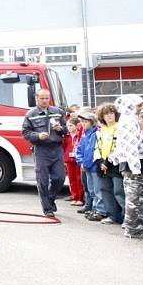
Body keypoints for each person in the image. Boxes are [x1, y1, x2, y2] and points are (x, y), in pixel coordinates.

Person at [110, 95, 143, 238]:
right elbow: (130, 147)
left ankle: (136, 226)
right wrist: (136, 168)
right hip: (132, 164)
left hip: (133, 163)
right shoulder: (128, 121)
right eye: (138, 105)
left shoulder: (129, 120)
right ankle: (133, 228)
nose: (140, 108)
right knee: (134, 198)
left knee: (138, 197)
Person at [21, 89, 67, 217]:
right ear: (37, 99)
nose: (45, 100)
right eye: (42, 98)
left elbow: (66, 129)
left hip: (56, 148)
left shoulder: (58, 112)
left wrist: (60, 129)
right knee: (43, 181)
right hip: (41, 149)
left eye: (47, 98)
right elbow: (25, 132)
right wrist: (37, 135)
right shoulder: (31, 114)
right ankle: (47, 209)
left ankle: (50, 199)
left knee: (60, 178)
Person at [94, 103, 124, 225]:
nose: (109, 116)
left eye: (112, 113)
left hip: (115, 165)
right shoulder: (102, 130)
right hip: (103, 166)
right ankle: (112, 216)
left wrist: (108, 161)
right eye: (106, 114)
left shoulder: (119, 127)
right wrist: (100, 161)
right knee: (106, 191)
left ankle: (125, 217)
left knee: (119, 191)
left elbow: (119, 147)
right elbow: (98, 147)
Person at [76, 112, 106, 220]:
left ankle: (100, 210)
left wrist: (85, 164)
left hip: (93, 167)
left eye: (86, 122)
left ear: (92, 122)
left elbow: (92, 152)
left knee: (98, 190)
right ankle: (95, 208)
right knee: (91, 189)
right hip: (87, 167)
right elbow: (79, 150)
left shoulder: (96, 134)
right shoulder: (85, 134)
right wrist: (81, 162)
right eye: (82, 122)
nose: (83, 124)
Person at [63, 117, 84, 206]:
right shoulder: (66, 137)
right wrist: (64, 159)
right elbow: (63, 148)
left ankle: (80, 198)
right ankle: (74, 197)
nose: (69, 128)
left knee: (79, 179)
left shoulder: (80, 135)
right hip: (69, 160)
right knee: (72, 179)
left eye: (71, 125)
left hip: (78, 160)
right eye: (68, 126)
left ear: (76, 126)